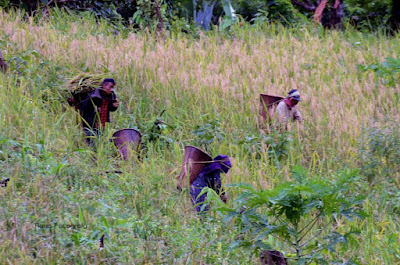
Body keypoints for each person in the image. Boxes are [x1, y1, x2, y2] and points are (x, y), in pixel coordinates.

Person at [77, 78, 119, 146]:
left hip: (101, 125)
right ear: (104, 86)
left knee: (99, 144)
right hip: (91, 125)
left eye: (113, 87)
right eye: (110, 87)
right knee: (93, 146)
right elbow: (84, 109)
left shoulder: (111, 96)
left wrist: (114, 106)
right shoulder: (93, 97)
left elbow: (109, 108)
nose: (112, 89)